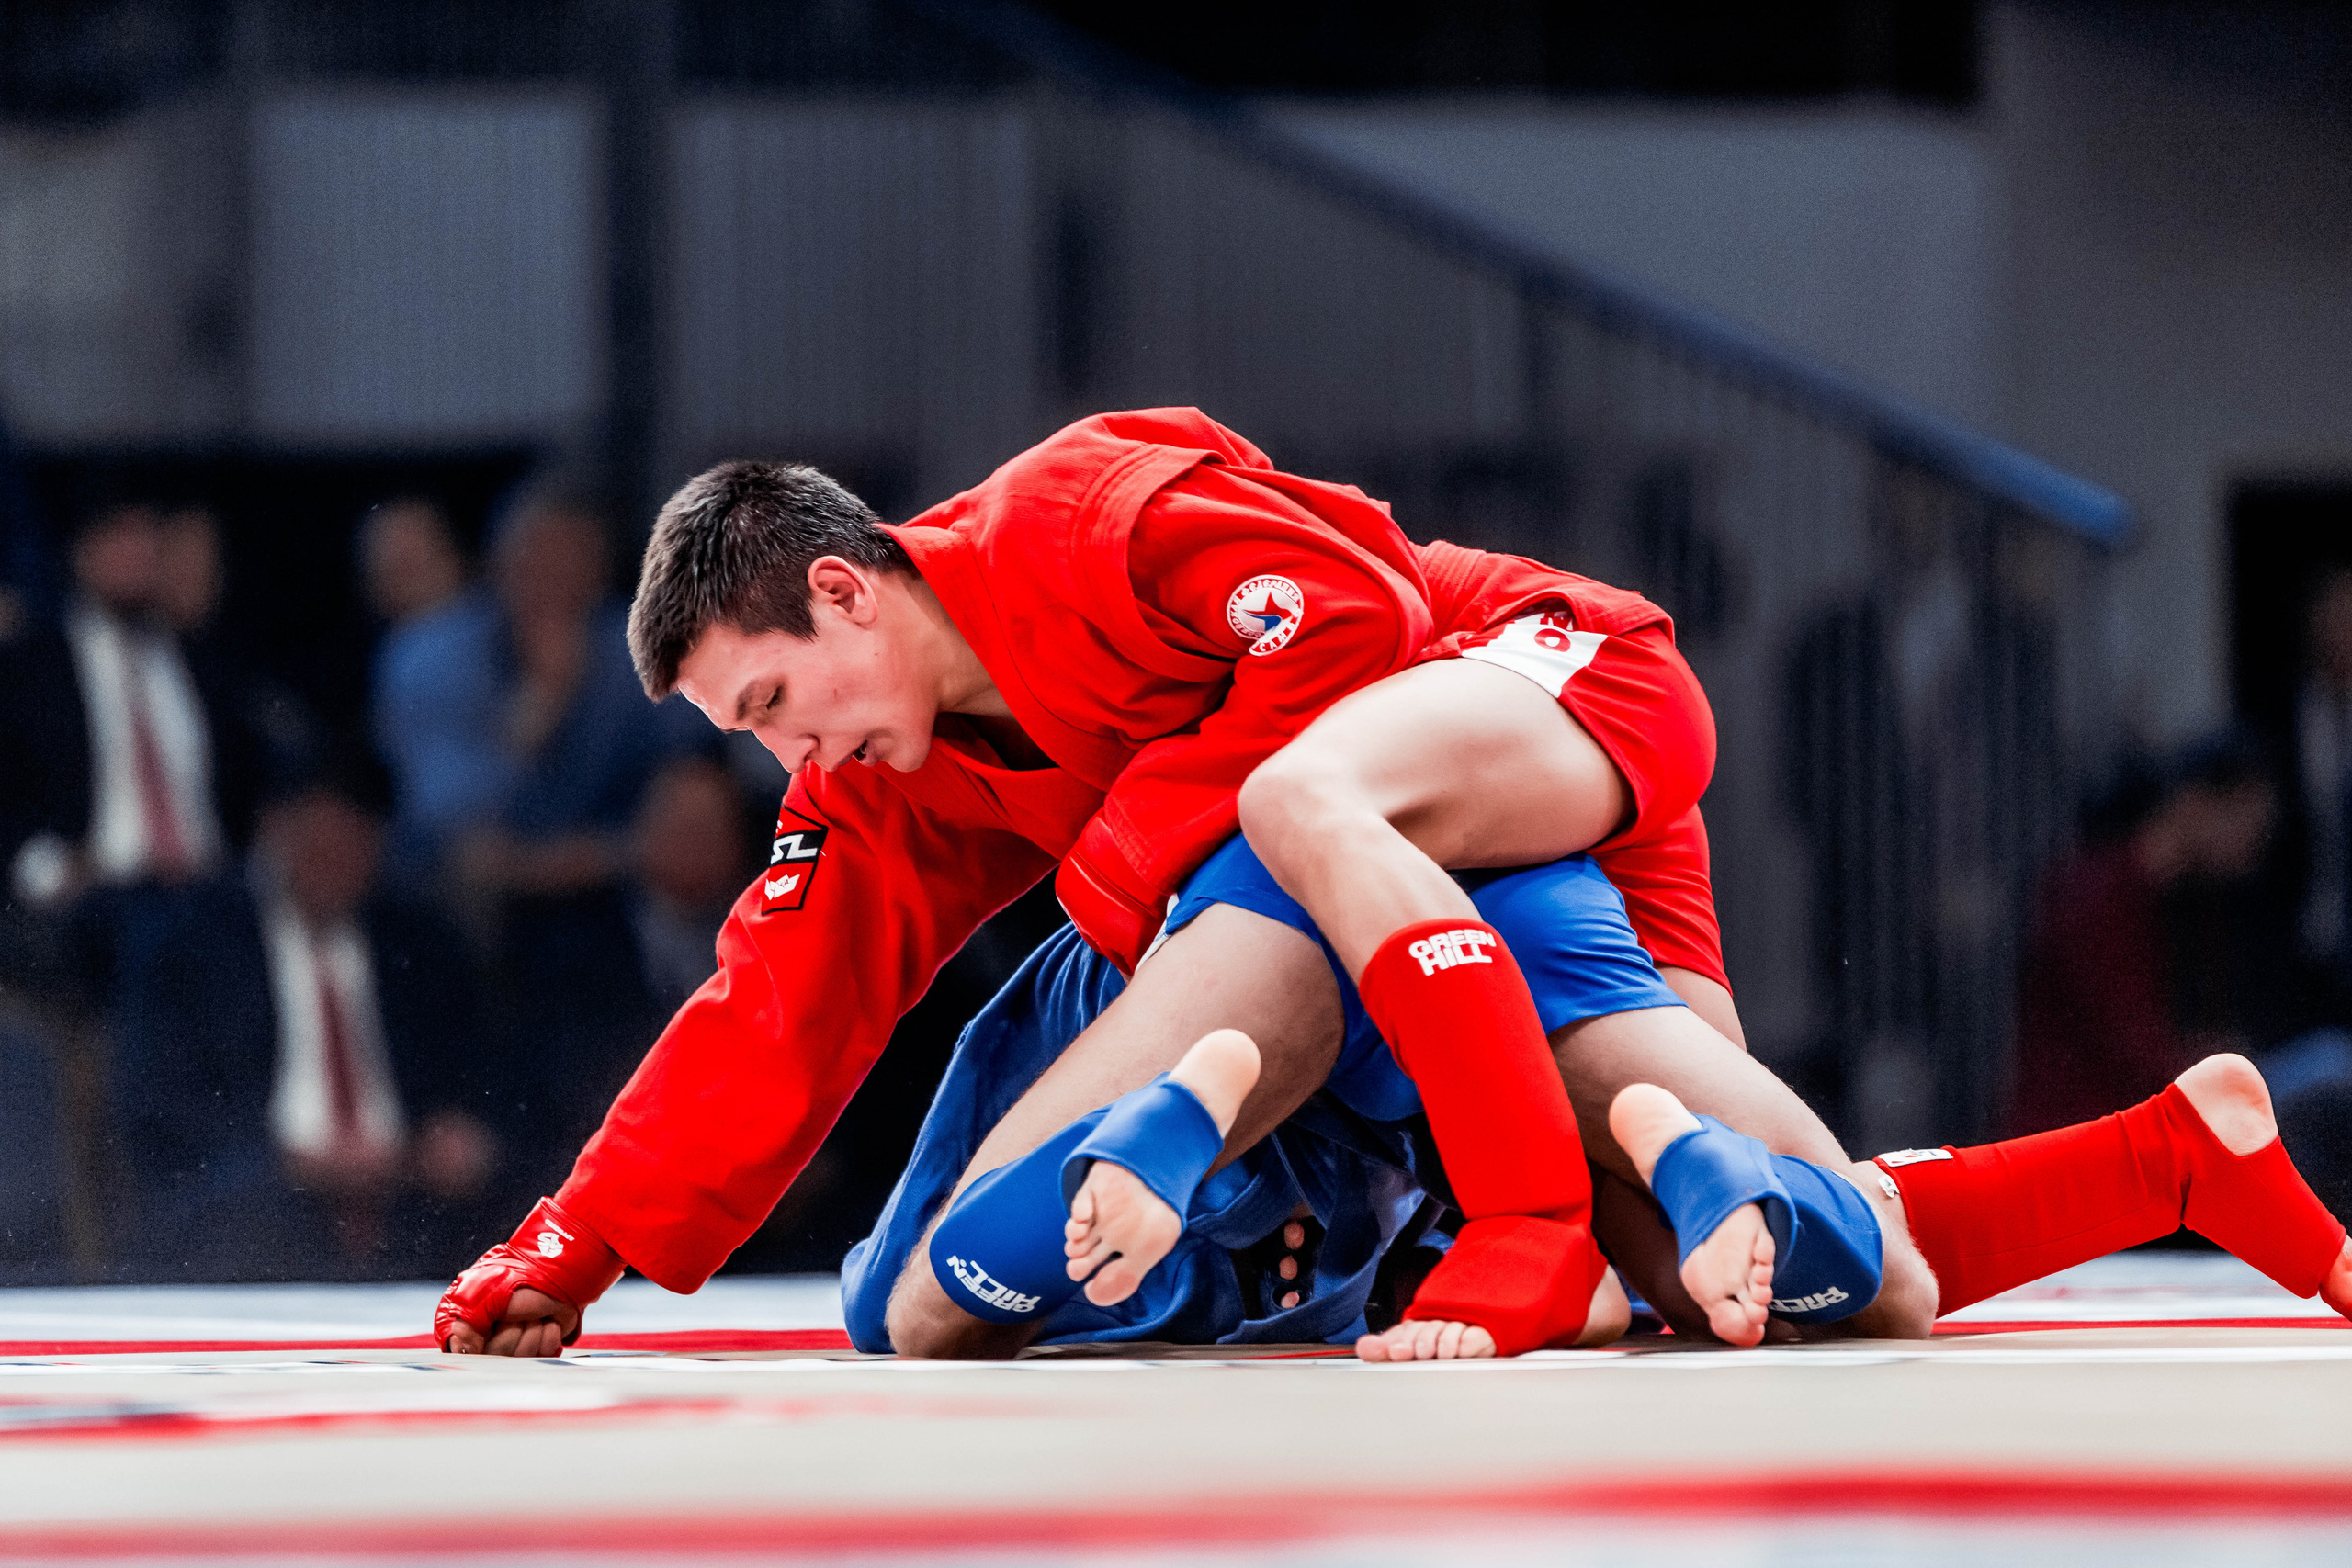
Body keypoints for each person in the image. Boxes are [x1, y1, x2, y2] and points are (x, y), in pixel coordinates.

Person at [433, 409, 1920, 1359]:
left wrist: (1129, 872)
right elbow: (779, 998)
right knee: (1738, 1269)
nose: (786, 756)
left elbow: (1362, 611)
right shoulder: (880, 774)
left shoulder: (1084, 517)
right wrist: (583, 1233)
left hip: (1534, 689)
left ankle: (1412, 1200)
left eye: (770, 705)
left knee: (1834, 1258)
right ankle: (1394, 1211)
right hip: (1368, 896)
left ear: (839, 589)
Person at [111, 756, 504, 1280]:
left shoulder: (419, 948)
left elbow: (484, 1072)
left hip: (407, 1203)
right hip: (262, 1199)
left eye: (355, 843)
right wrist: (300, 1166)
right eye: (320, 841)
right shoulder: (195, 947)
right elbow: (166, 1104)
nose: (336, 860)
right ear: (275, 830)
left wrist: (456, 1136)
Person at [2011, 734, 2277, 1135]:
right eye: (2245, 824)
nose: (2253, 847)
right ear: (2195, 805)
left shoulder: (2178, 900)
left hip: (2114, 1128)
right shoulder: (2098, 895)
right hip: (2073, 1135)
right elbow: (2130, 1045)